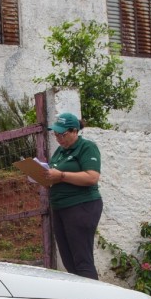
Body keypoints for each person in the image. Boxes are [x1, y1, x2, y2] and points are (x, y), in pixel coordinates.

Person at [44, 112, 103, 279]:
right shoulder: (60, 151)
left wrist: (62, 175)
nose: (58, 138)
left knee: (82, 260)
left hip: (81, 206)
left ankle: (93, 293)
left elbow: (92, 177)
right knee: (68, 261)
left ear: (74, 131)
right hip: (60, 208)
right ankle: (78, 293)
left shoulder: (86, 147)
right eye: (55, 134)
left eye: (62, 134)